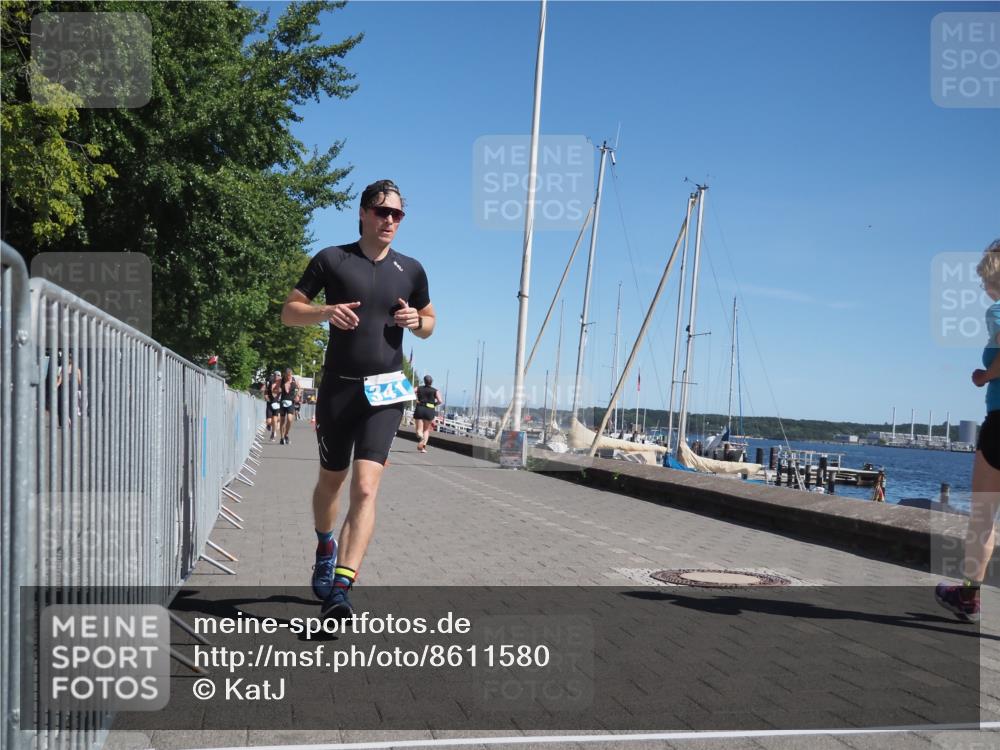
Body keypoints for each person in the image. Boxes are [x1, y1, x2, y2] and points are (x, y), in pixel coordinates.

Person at [281, 179, 435, 619]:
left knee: (366, 487)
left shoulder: (412, 269)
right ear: (363, 213)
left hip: (387, 391)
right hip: (339, 388)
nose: (390, 220)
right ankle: (326, 543)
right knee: (332, 482)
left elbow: (429, 321)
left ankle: (342, 587)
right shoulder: (332, 259)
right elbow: (289, 311)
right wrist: (325, 312)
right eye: (383, 212)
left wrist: (415, 322)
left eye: (398, 214)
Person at [937, 238, 1000, 623]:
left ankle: (969, 597)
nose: (982, 287)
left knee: (983, 516)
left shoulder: (999, 311)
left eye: (985, 278)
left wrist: (984, 376)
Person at [413, 374, 442, 452]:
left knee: (419, 430)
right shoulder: (435, 390)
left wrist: (416, 399)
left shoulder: (419, 388)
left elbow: (411, 391)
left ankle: (421, 437)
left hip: (420, 408)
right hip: (430, 410)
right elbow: (440, 401)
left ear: (424, 381)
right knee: (426, 430)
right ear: (431, 382)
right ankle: (423, 448)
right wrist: (434, 404)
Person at [279, 368, 299, 445]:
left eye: (290, 375)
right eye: (288, 376)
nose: (289, 377)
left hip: (291, 402)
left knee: (290, 419)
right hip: (283, 401)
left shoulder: (294, 380)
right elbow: (276, 389)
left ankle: (286, 434)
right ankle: (282, 438)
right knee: (282, 420)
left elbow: (300, 388)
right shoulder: (282, 380)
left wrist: (297, 396)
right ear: (285, 375)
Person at [261, 370, 282, 440]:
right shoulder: (269, 382)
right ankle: (269, 425)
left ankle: (273, 433)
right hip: (270, 403)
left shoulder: (282, 384)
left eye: (278, 375)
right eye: (275, 375)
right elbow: (264, 390)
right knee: (269, 421)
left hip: (277, 404)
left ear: (280, 376)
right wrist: (265, 396)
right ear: (273, 376)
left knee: (275, 420)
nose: (277, 376)